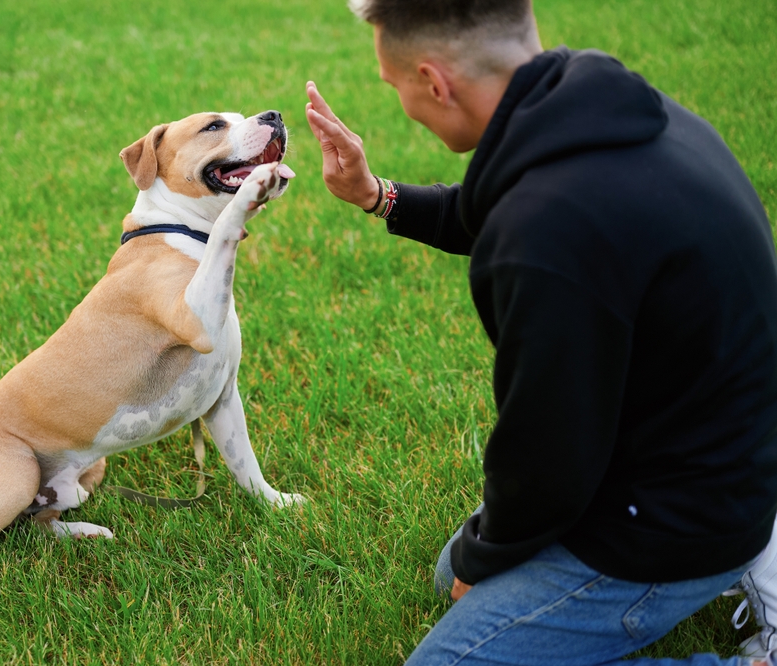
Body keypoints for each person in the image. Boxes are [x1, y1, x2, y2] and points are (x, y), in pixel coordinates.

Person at [303, 1, 777, 664]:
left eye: (395, 84)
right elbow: (498, 207)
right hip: (705, 453)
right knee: (454, 572)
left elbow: (550, 455)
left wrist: (488, 554)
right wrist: (375, 194)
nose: (402, 100)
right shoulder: (603, 111)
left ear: (434, 82)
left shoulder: (549, 232)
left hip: (676, 521)